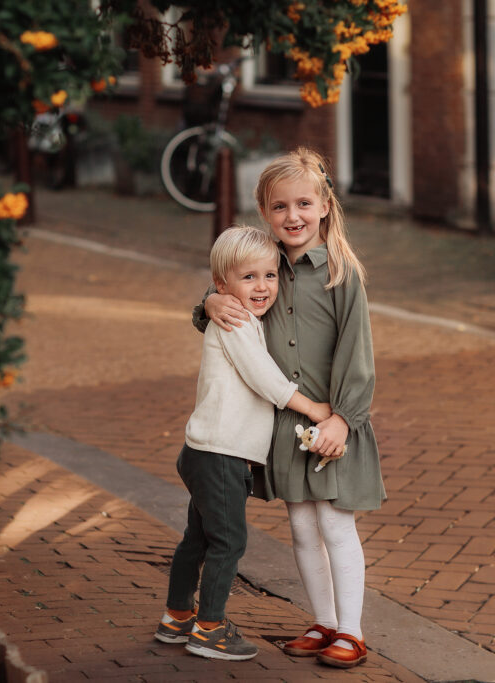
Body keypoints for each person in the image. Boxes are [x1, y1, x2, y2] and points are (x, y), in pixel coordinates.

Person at [195, 147, 385, 669]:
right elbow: (225, 290)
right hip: (286, 425)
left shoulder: (343, 275)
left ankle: (351, 630)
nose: (292, 216)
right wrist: (206, 304)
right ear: (263, 211)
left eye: (304, 203)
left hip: (334, 422)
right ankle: (322, 621)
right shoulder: (266, 266)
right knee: (302, 528)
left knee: (336, 525)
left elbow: (358, 357)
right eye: (279, 207)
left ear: (325, 205)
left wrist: (344, 419)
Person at [155, 225, 332, 661]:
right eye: (249, 277)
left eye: (270, 276)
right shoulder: (234, 322)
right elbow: (264, 378)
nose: (262, 286)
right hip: (220, 454)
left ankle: (177, 617)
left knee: (197, 539)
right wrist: (312, 408)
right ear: (222, 285)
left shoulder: (243, 317)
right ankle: (209, 628)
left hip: (207, 451)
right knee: (228, 543)